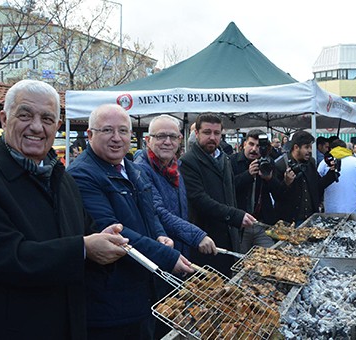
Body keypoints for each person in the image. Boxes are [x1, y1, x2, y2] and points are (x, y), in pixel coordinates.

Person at [0, 80, 128, 339]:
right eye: (25, 115)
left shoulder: (63, 180)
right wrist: (84, 248)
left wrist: (106, 240)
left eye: (47, 119)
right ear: (4, 119)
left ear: (58, 127)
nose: (37, 127)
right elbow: (7, 256)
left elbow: (85, 233)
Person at [68, 104, 193, 339]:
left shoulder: (134, 169)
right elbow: (115, 231)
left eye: (123, 131)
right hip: (111, 301)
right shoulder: (81, 175)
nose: (117, 138)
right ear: (90, 134)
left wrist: (159, 234)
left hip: (144, 292)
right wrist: (167, 256)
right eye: (107, 130)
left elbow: (151, 212)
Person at [180, 113, 256, 276]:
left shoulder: (225, 158)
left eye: (216, 133)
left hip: (230, 237)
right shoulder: (188, 161)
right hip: (207, 239)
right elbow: (199, 199)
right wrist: (234, 215)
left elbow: (231, 193)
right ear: (197, 133)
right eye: (207, 132)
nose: (212, 137)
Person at [134, 115, 216, 257]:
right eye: (160, 136)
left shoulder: (175, 167)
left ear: (179, 140)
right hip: (160, 252)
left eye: (173, 137)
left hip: (179, 251)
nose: (167, 142)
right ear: (148, 140)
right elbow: (158, 212)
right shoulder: (140, 171)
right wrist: (196, 236)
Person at [230, 129, 282, 252]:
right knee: (241, 262)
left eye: (258, 146)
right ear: (244, 144)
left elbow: (278, 193)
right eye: (251, 144)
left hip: (262, 223)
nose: (254, 149)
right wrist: (248, 175)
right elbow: (229, 188)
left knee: (271, 257)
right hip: (240, 224)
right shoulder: (232, 161)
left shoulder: (268, 162)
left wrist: (269, 179)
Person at [273, 131, 337, 224]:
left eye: (310, 147)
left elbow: (318, 185)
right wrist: (286, 183)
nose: (310, 151)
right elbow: (277, 196)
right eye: (306, 147)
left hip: (311, 218)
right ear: (296, 147)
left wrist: (332, 172)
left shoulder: (310, 162)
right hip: (290, 222)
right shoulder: (281, 164)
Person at [318, 138, 356, 213]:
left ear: (331, 149)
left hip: (331, 210)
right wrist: (355, 195)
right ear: (345, 148)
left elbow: (317, 186)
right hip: (353, 209)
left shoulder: (324, 163)